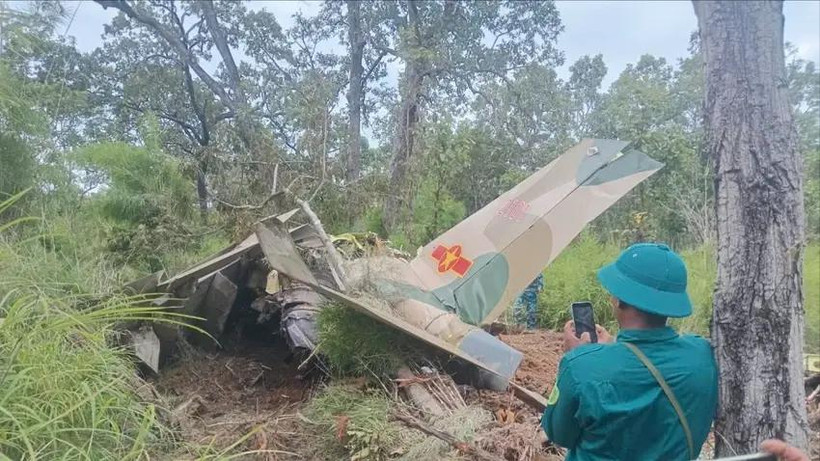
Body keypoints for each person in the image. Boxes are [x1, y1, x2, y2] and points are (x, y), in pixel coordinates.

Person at [541, 243, 718, 460]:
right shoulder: (704, 355)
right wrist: (613, 347)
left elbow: (559, 434)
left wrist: (580, 356)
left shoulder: (580, 367)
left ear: (618, 299)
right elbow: (652, 358)